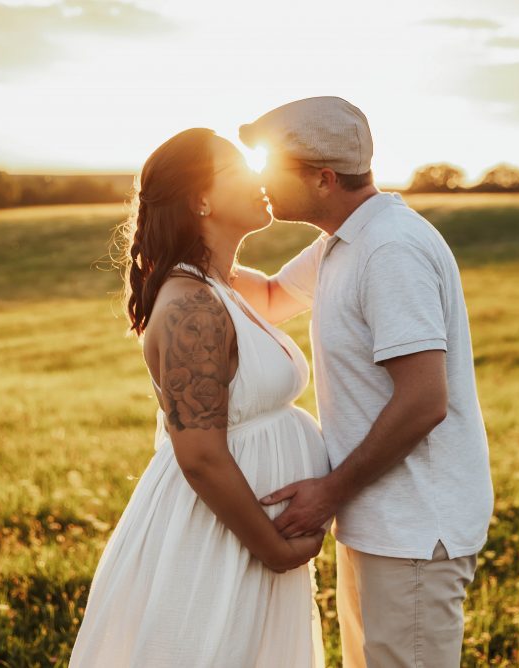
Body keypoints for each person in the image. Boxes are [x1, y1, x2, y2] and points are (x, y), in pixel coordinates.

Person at [230, 96, 495, 667]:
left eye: (272, 167)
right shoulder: (343, 242)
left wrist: (329, 490)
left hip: (414, 529)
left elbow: (424, 400)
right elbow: (272, 299)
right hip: (379, 522)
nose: (262, 181)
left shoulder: (389, 248)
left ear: (323, 178)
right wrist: (187, 251)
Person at [69, 127, 331, 667]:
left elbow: (290, 291)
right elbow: (201, 456)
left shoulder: (227, 286)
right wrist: (274, 548)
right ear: (201, 199)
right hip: (222, 538)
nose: (260, 178)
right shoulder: (193, 306)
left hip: (247, 533)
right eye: (239, 170)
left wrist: (356, 221)